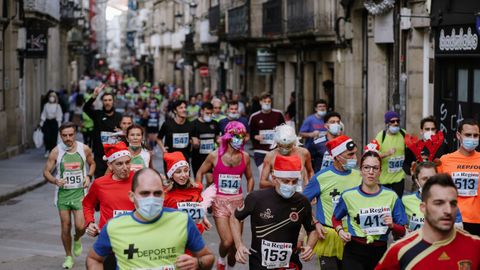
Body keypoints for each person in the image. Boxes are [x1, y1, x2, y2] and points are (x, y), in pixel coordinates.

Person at [86, 168, 215, 269]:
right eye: (145, 193)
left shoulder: (182, 220)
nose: (151, 199)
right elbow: (94, 259)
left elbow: (208, 257)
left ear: (164, 195)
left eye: (157, 193)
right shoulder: (114, 226)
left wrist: (197, 263)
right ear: (132, 196)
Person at [376, 174, 480, 269]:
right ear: (423, 208)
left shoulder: (475, 245)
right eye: (439, 203)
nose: (448, 210)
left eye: (453, 203)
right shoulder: (400, 250)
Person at [231, 155, 317, 269]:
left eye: (294, 181)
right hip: (259, 262)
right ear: (274, 177)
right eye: (286, 181)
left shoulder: (302, 202)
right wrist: (239, 244)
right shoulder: (256, 198)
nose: (290, 185)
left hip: (290, 263)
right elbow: (235, 217)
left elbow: (313, 230)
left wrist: (310, 246)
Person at [333, 148, 407, 269]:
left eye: (375, 168)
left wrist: (392, 225)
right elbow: (335, 218)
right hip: (354, 251)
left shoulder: (392, 196)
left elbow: (403, 230)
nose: (371, 172)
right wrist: (340, 230)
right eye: (366, 167)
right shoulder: (348, 196)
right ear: (361, 171)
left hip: (380, 251)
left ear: (380, 171)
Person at [195, 121, 254, 269]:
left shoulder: (245, 156)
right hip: (219, 202)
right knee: (227, 241)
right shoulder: (214, 156)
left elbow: (250, 178)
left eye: (241, 136)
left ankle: (229, 262)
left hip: (238, 202)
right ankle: (221, 259)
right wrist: (198, 193)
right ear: (227, 136)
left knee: (234, 247)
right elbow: (200, 172)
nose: (239, 139)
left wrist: (250, 195)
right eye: (235, 136)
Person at [303, 135, 362, 269]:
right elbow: (301, 203)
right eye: (350, 155)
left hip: (353, 236)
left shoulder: (359, 176)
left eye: (355, 154)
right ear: (336, 157)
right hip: (328, 235)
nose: (354, 158)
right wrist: (315, 222)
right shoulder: (321, 178)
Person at [43, 122, 95, 269]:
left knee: (80, 226)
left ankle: (77, 238)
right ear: (60, 136)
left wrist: (89, 176)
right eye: (64, 135)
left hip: (80, 194)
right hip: (63, 195)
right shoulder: (56, 151)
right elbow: (46, 172)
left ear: (75, 134)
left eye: (70, 135)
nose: (68, 138)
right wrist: (55, 180)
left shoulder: (84, 149)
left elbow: (92, 163)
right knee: (65, 226)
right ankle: (68, 257)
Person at [82, 142, 135, 269]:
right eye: (119, 164)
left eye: (127, 162)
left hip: (134, 239)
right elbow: (87, 204)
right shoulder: (100, 184)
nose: (125, 167)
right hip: (109, 239)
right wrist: (90, 223)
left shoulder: (139, 179)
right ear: (110, 165)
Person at [438, 118, 480, 236]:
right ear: (458, 135)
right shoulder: (445, 160)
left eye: (475, 135)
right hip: (453, 219)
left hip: (477, 220)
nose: (472, 138)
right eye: (468, 135)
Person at [402, 161, 463, 232]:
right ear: (417, 180)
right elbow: (401, 230)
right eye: (424, 179)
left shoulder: (449, 201)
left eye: (432, 178)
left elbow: (459, 231)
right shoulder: (405, 200)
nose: (429, 182)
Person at [163, 152, 212, 235]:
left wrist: (204, 218)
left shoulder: (196, 188)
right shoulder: (165, 194)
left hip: (195, 233)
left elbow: (198, 206)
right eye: (178, 172)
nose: (183, 175)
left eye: (186, 171)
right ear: (171, 175)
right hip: (175, 234)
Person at [83, 84, 123, 177]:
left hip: (115, 153)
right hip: (99, 153)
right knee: (100, 179)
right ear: (102, 102)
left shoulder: (119, 116)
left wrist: (121, 131)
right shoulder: (97, 114)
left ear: (113, 102)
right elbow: (85, 108)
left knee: (114, 180)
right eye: (105, 100)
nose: (107, 102)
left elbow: (126, 131)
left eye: (109, 100)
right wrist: (94, 96)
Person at [259, 124, 314, 191]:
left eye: (288, 146)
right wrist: (279, 184)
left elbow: (310, 172)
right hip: (278, 193)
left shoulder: (303, 153)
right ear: (276, 142)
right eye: (281, 146)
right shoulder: (270, 156)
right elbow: (262, 182)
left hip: (298, 193)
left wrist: (309, 187)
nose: (284, 149)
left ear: (293, 142)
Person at [249, 92, 285, 175]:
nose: (267, 103)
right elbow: (249, 133)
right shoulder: (254, 117)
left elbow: (284, 129)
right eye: (265, 101)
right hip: (260, 151)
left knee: (276, 176)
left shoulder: (278, 114)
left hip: (276, 150)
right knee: (264, 175)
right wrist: (255, 136)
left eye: (269, 102)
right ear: (260, 102)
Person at [375, 111, 407, 198]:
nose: (396, 123)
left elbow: (410, 150)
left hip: (399, 177)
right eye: (392, 121)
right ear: (387, 123)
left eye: (397, 121)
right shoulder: (381, 136)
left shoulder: (403, 134)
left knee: (397, 202)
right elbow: (373, 155)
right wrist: (387, 154)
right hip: (384, 179)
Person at [191, 102, 220, 184]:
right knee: (198, 182)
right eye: (207, 113)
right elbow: (190, 140)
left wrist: (220, 143)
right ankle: (199, 196)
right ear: (202, 111)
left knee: (210, 180)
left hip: (210, 157)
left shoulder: (214, 124)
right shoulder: (194, 124)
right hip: (197, 157)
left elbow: (217, 137)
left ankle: (207, 196)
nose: (209, 115)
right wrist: (193, 142)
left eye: (211, 113)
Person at [40, 90, 64, 157]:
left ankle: (52, 151)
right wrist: (41, 123)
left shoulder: (57, 106)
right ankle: (47, 149)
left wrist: (59, 125)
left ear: (55, 97)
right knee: (47, 137)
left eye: (53, 96)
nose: (51, 98)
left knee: (53, 138)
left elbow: (59, 115)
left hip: (54, 123)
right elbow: (43, 114)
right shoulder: (46, 105)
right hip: (47, 122)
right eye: (50, 96)